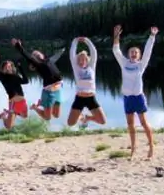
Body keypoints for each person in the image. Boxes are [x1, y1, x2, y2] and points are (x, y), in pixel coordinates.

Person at [113, 24, 158, 160]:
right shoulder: (124, 63)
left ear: (139, 56)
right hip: (127, 99)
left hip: (138, 98)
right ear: (128, 54)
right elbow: (116, 50)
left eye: (136, 52)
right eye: (131, 52)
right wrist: (116, 36)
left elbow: (148, 51)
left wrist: (152, 36)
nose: (133, 53)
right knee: (130, 125)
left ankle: (151, 145)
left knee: (144, 123)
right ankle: (133, 149)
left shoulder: (141, 65)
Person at [11, 38, 63, 120]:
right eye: (34, 55)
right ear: (34, 59)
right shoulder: (39, 65)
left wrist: (62, 51)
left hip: (57, 90)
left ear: (42, 54)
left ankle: (43, 103)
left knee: (56, 115)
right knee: (47, 117)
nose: (36, 55)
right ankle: (35, 107)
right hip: (48, 92)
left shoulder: (49, 60)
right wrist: (18, 46)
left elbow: (57, 56)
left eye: (37, 53)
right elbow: (26, 55)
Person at [67, 37, 106, 127]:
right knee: (70, 123)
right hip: (79, 98)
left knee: (102, 121)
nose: (82, 61)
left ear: (87, 60)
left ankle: (87, 117)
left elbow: (94, 52)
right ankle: (80, 116)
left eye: (84, 59)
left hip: (91, 98)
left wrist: (87, 41)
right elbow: (72, 53)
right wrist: (75, 41)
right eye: (80, 59)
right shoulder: (76, 68)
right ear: (77, 61)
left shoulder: (91, 67)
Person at [0, 46, 29, 129]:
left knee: (25, 116)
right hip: (13, 103)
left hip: (21, 100)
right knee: (8, 126)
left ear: (12, 67)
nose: (8, 67)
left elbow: (26, 81)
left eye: (9, 66)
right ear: (3, 68)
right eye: (6, 66)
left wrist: (20, 68)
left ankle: (8, 113)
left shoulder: (16, 76)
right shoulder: (2, 76)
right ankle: (4, 116)